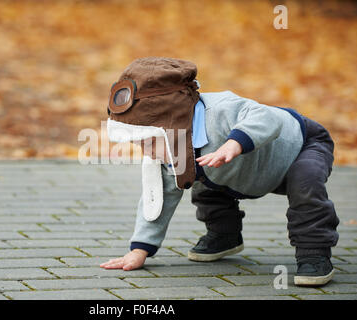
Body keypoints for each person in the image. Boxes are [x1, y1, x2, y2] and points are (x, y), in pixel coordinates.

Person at [100, 57, 339, 287]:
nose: (148, 153)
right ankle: (225, 236)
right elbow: (157, 200)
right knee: (199, 178)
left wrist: (235, 143)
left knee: (305, 185)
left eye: (150, 143)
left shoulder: (221, 110)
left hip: (299, 148)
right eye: (139, 145)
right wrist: (139, 250)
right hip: (244, 173)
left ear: (173, 125)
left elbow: (268, 116)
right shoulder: (171, 154)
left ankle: (314, 254)